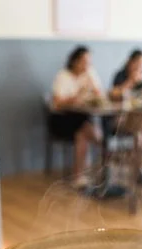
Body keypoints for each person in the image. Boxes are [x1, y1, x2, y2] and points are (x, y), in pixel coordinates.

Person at [50, 46, 103, 189]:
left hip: (82, 117)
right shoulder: (63, 76)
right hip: (62, 119)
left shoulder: (89, 74)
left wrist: (91, 80)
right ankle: (91, 172)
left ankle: (80, 175)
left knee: (84, 132)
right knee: (89, 134)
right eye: (84, 61)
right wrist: (77, 95)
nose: (87, 65)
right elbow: (57, 103)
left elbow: (100, 97)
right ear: (75, 61)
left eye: (89, 62)